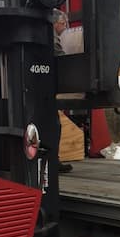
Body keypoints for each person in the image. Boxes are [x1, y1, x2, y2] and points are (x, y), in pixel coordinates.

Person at [53, 9, 73, 173]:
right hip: (42, 89)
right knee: (53, 125)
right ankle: (52, 160)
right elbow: (60, 58)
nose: (65, 27)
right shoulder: (51, 37)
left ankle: (51, 159)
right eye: (63, 23)